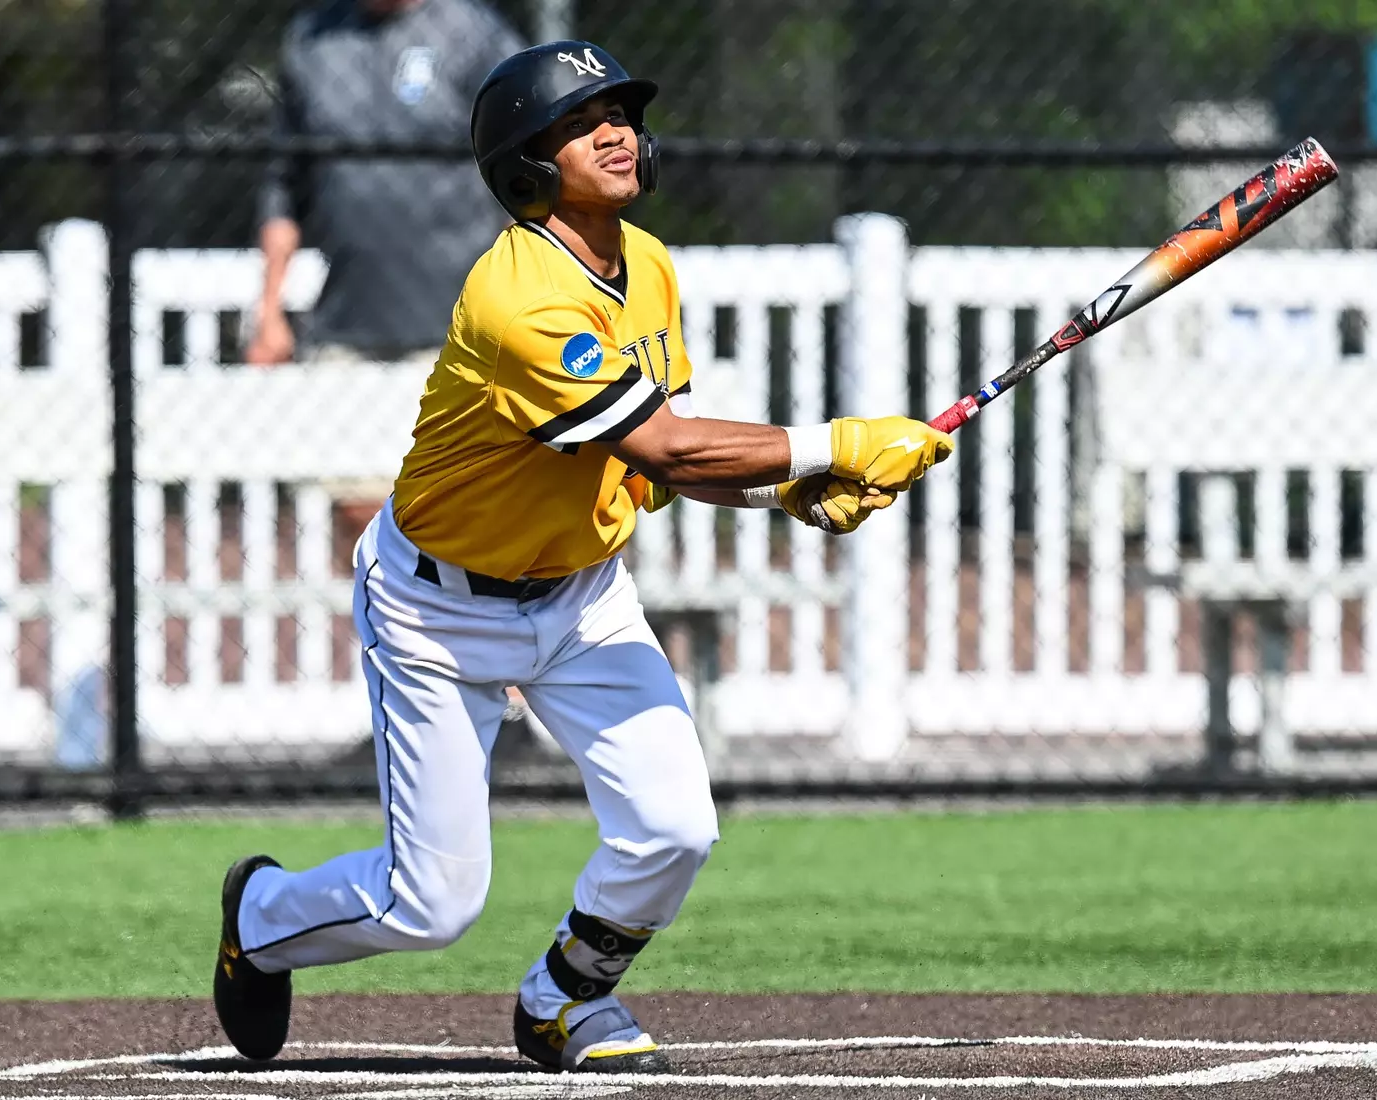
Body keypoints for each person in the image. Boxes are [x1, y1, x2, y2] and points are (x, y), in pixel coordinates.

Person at [211, 41, 955, 1075]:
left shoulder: (646, 263)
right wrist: (833, 444)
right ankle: (262, 912)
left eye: (618, 110)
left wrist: (788, 490)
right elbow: (664, 446)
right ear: (526, 160)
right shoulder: (520, 299)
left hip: (582, 593)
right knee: (431, 903)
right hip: (438, 610)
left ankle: (563, 998)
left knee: (674, 827)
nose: (614, 129)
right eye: (578, 120)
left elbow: (658, 454)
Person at [247, 0, 525, 366]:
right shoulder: (312, 40)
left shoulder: (475, 33)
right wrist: (268, 314)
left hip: (467, 330)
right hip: (342, 332)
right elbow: (283, 187)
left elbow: (522, 179)